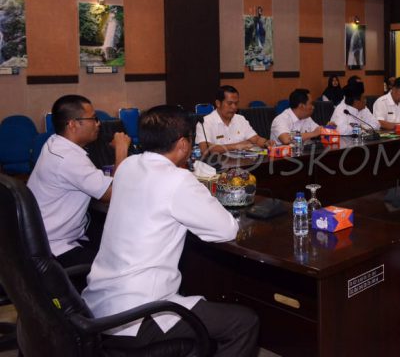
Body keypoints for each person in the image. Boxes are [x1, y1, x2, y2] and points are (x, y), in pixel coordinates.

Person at [82, 106, 259, 356]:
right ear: (184, 144)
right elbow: (227, 230)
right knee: (244, 322)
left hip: (98, 306)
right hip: (140, 313)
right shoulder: (177, 180)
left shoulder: (128, 165)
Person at [27, 95, 131, 268]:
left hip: (47, 232)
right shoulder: (68, 158)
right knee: (117, 266)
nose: (98, 124)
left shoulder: (55, 142)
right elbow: (113, 193)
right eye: (93, 119)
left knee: (114, 242)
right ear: (73, 124)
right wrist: (121, 150)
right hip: (54, 245)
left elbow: (91, 178)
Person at [195, 85, 273, 154]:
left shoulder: (240, 119)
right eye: (229, 103)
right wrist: (236, 146)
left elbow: (255, 139)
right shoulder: (205, 122)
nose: (234, 107)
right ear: (218, 103)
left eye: (236, 103)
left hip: (242, 163)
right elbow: (205, 149)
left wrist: (266, 143)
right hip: (217, 164)